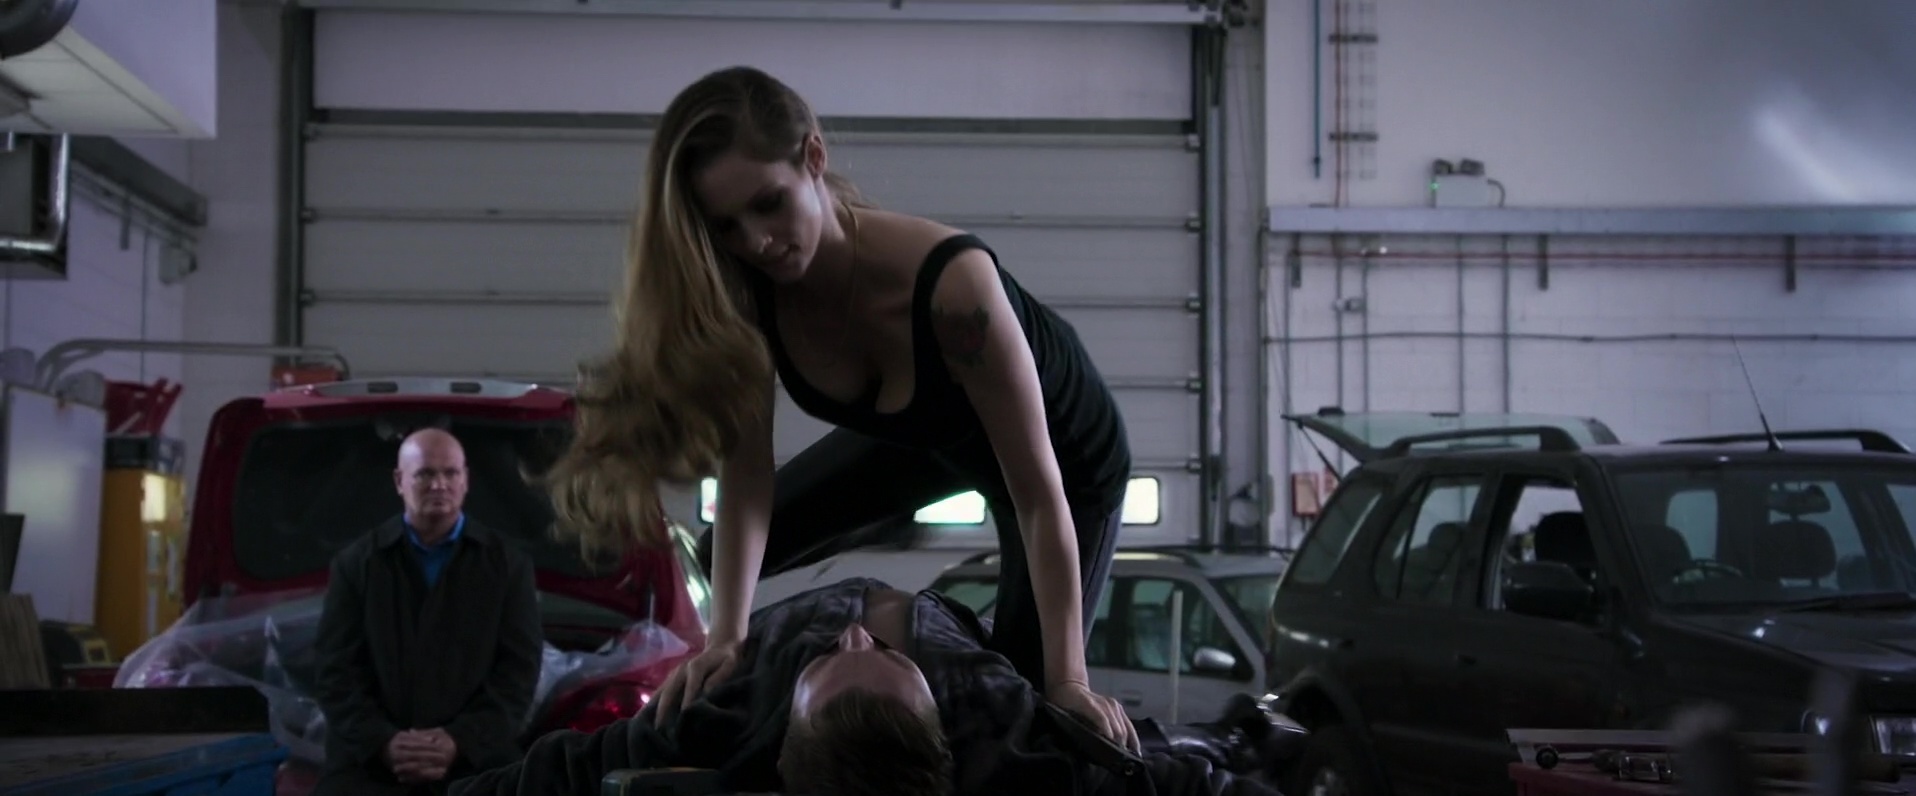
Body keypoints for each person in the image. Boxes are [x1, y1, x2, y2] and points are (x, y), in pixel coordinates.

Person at [542, 63, 1137, 752]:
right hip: (924, 440)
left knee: (1029, 709)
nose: (756, 242)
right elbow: (747, 480)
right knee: (719, 565)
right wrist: (724, 638)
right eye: (727, 226)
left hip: (1064, 467)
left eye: (770, 204)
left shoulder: (954, 288)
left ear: (814, 158)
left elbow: (1037, 494)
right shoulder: (749, 292)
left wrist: (1069, 680)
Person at [445, 577, 1292, 796]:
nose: (855, 634)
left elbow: (562, 772)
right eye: (886, 657)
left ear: (785, 727)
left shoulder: (736, 707)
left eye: (825, 661)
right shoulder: (997, 725)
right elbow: (1163, 776)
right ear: (936, 716)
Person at [313, 428, 546, 795]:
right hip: (372, 764)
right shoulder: (357, 564)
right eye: (424, 474)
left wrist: (459, 740)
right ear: (399, 481)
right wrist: (384, 742)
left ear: (465, 480)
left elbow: (518, 673)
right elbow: (335, 672)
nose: (439, 484)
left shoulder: (508, 566)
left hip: (476, 758)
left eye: (450, 473)